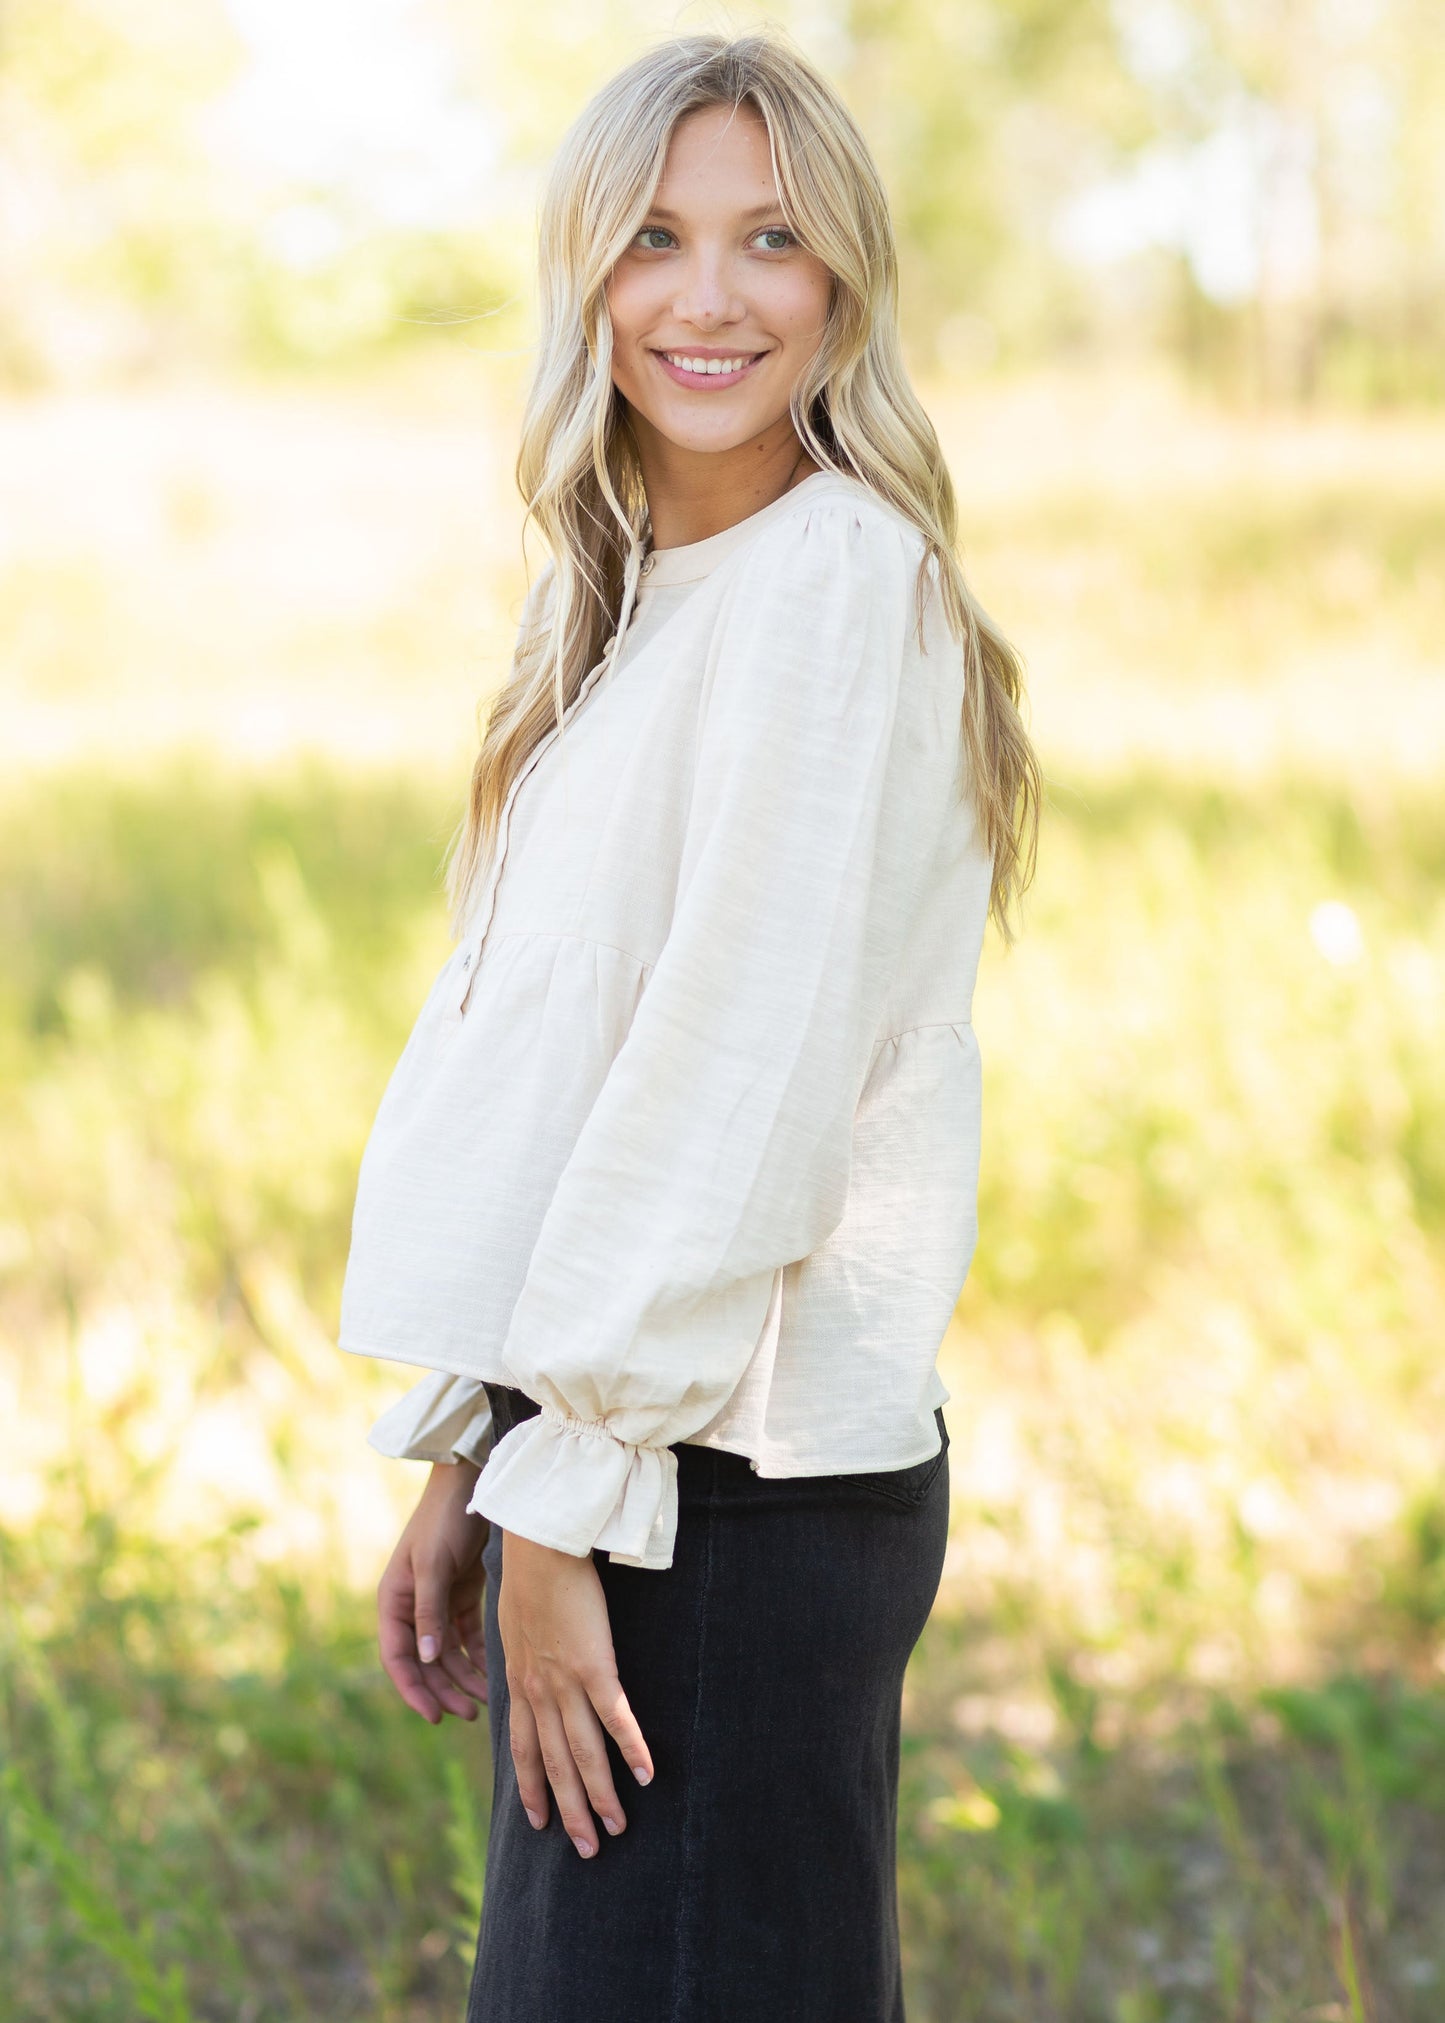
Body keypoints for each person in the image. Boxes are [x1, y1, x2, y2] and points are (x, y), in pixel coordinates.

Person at [336, 29, 1040, 2023]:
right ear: (585, 274)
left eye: (772, 239)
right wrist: (482, 1449)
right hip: (619, 1462)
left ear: (844, 281)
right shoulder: (635, 598)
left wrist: (571, 1484)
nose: (711, 297)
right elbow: (583, 1071)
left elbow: (740, 1091)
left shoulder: (838, 585)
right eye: (653, 237)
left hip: (722, 1499)